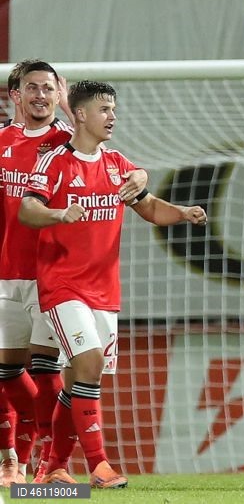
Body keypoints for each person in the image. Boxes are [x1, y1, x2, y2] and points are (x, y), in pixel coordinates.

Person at [19, 80, 206, 488]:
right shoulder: (54, 162)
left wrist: (183, 213)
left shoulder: (118, 164)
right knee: (88, 363)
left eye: (114, 110)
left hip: (104, 292)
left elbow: (149, 208)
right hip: (62, 286)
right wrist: (58, 216)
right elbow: (28, 210)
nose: (112, 117)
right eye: (104, 109)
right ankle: (100, 467)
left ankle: (51, 471)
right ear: (81, 114)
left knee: (81, 380)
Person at [0, 60, 146, 486]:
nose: (41, 95)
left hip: (53, 273)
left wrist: (138, 172)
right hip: (7, 272)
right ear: (15, 95)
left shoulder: (67, 141)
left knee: (50, 368)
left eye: (49, 88)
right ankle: (27, 455)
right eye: (32, 88)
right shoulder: (2, 142)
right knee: (8, 372)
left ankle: (44, 459)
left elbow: (112, 158)